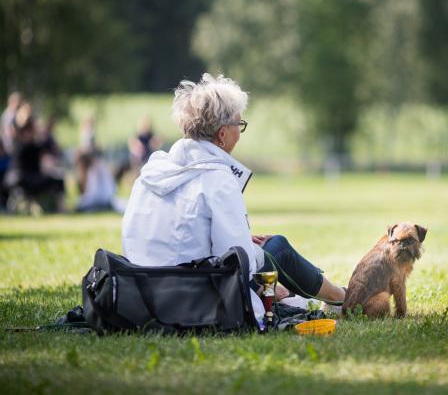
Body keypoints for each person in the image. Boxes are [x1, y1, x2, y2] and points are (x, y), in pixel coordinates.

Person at [121, 73, 345, 325]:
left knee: (265, 249)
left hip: (142, 290)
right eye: (239, 125)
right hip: (194, 295)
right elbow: (238, 262)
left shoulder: (152, 171)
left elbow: (173, 234)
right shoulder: (218, 179)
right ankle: (344, 298)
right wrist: (264, 289)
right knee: (275, 248)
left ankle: (336, 297)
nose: (240, 131)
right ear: (222, 134)